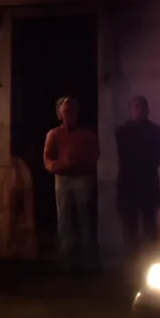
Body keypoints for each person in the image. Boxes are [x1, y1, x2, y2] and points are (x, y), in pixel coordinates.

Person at [43, 96, 101, 273]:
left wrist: (80, 164)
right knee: (65, 220)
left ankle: (89, 261)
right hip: (63, 179)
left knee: (85, 218)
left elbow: (94, 155)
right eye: (66, 111)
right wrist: (60, 166)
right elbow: (47, 158)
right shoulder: (54, 134)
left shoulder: (86, 135)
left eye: (72, 111)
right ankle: (66, 261)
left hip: (83, 178)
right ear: (60, 114)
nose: (69, 115)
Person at [114, 96, 160, 261]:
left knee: (149, 225)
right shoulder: (123, 131)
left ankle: (148, 258)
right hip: (130, 184)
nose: (138, 111)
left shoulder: (154, 131)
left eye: (141, 108)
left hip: (146, 183)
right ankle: (133, 260)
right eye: (135, 108)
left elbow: (155, 159)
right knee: (130, 227)